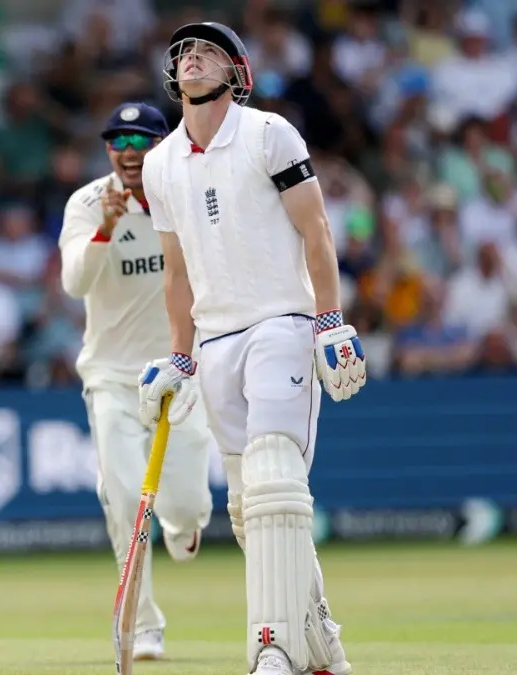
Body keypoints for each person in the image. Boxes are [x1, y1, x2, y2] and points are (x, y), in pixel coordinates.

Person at [135, 21, 366, 675]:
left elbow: (316, 229)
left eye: (208, 51)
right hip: (215, 339)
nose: (193, 59)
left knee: (274, 479)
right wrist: (180, 354)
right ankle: (323, 644)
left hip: (281, 322)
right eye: (185, 52)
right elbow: (176, 271)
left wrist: (330, 321)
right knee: (251, 510)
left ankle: (273, 648)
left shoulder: (269, 133)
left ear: (236, 72)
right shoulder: (159, 163)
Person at [58, 101, 216, 662]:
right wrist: (106, 228)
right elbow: (74, 282)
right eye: (117, 142)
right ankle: (144, 625)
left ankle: (182, 522)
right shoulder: (86, 204)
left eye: (140, 141)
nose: (128, 152)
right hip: (111, 376)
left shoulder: (185, 193)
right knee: (124, 499)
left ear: (160, 144)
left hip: (178, 369)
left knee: (186, 506)